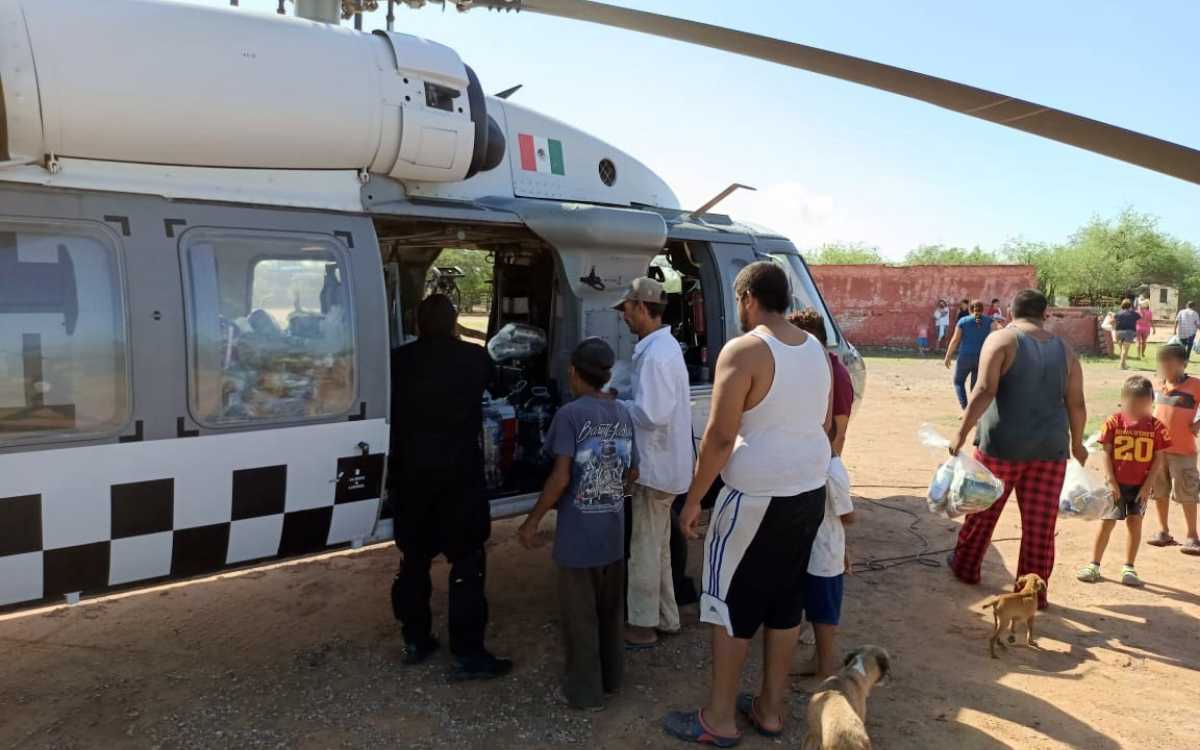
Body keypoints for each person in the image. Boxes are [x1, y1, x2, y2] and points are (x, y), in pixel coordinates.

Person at [664, 262, 832, 745]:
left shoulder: (745, 350)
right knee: (785, 602)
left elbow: (719, 437)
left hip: (755, 499)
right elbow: (822, 422)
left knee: (728, 603)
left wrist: (693, 500)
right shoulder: (815, 349)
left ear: (748, 299)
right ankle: (770, 710)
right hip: (808, 491)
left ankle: (718, 719)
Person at [389, 294, 512, 679]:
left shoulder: (397, 360)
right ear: (455, 322)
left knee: (413, 561)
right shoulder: (474, 358)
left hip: (410, 478)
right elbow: (499, 389)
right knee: (467, 563)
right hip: (460, 478)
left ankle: (415, 640)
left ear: (418, 323)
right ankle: (468, 654)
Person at [947, 289, 1088, 610]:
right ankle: (1031, 592)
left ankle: (966, 568)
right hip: (1050, 449)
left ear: (1011, 311)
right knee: (1040, 526)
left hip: (1001, 445)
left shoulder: (1001, 340)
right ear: (1045, 314)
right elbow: (1076, 403)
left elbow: (984, 389)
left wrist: (961, 433)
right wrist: (1077, 443)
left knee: (982, 511)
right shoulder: (1065, 350)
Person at [518, 338, 637, 710]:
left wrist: (532, 521)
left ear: (573, 372)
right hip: (613, 534)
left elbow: (560, 477)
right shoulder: (623, 412)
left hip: (578, 540)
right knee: (610, 612)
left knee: (580, 617)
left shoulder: (569, 415)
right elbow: (632, 472)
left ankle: (586, 693)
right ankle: (612, 679)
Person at [611, 277, 693, 650]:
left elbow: (652, 414)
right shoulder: (662, 348)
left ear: (643, 307)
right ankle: (666, 617)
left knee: (645, 548)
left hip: (655, 468)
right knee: (658, 546)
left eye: (627, 309)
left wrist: (616, 404)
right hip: (666, 466)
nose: (624, 316)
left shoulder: (657, 354)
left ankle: (643, 626)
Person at [789, 309, 855, 679]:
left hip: (824, 544)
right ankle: (817, 660)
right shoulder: (807, 367)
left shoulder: (834, 374)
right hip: (815, 541)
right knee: (812, 602)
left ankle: (825, 668)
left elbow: (838, 432)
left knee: (824, 611)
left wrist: (824, 464)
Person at [1077, 376, 1170, 587]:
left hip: (1140, 487)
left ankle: (1129, 567)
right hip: (1116, 486)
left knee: (1134, 523)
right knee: (1107, 522)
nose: (1137, 410)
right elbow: (1106, 452)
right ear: (1123, 401)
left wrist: (1148, 486)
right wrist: (1111, 480)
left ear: (1151, 402)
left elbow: (1158, 459)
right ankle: (1094, 565)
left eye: (1143, 405)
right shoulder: (1114, 422)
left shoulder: (1157, 427)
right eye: (1132, 405)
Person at [1146, 343, 1200, 554]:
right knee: (1159, 491)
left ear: (1183, 364)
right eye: (1163, 364)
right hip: (1158, 451)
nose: (1166, 368)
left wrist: (1198, 424)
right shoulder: (1158, 385)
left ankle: (1192, 536)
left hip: (1183, 451)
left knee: (1187, 492)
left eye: (1171, 364)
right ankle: (1163, 531)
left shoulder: (1195, 385)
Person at [944, 300, 995, 409]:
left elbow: (955, 340)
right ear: (983, 309)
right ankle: (973, 410)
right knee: (975, 386)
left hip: (965, 357)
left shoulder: (963, 321)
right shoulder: (990, 321)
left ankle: (965, 407)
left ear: (970, 309)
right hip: (981, 358)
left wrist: (948, 356)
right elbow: (994, 338)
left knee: (958, 382)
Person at [1113, 298, 1140, 370]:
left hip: (1118, 332)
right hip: (1129, 332)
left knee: (1122, 350)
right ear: (1130, 305)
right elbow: (1139, 318)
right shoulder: (1133, 313)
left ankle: (1124, 364)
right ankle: (1122, 365)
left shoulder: (1118, 313)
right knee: (1125, 350)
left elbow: (1112, 321)